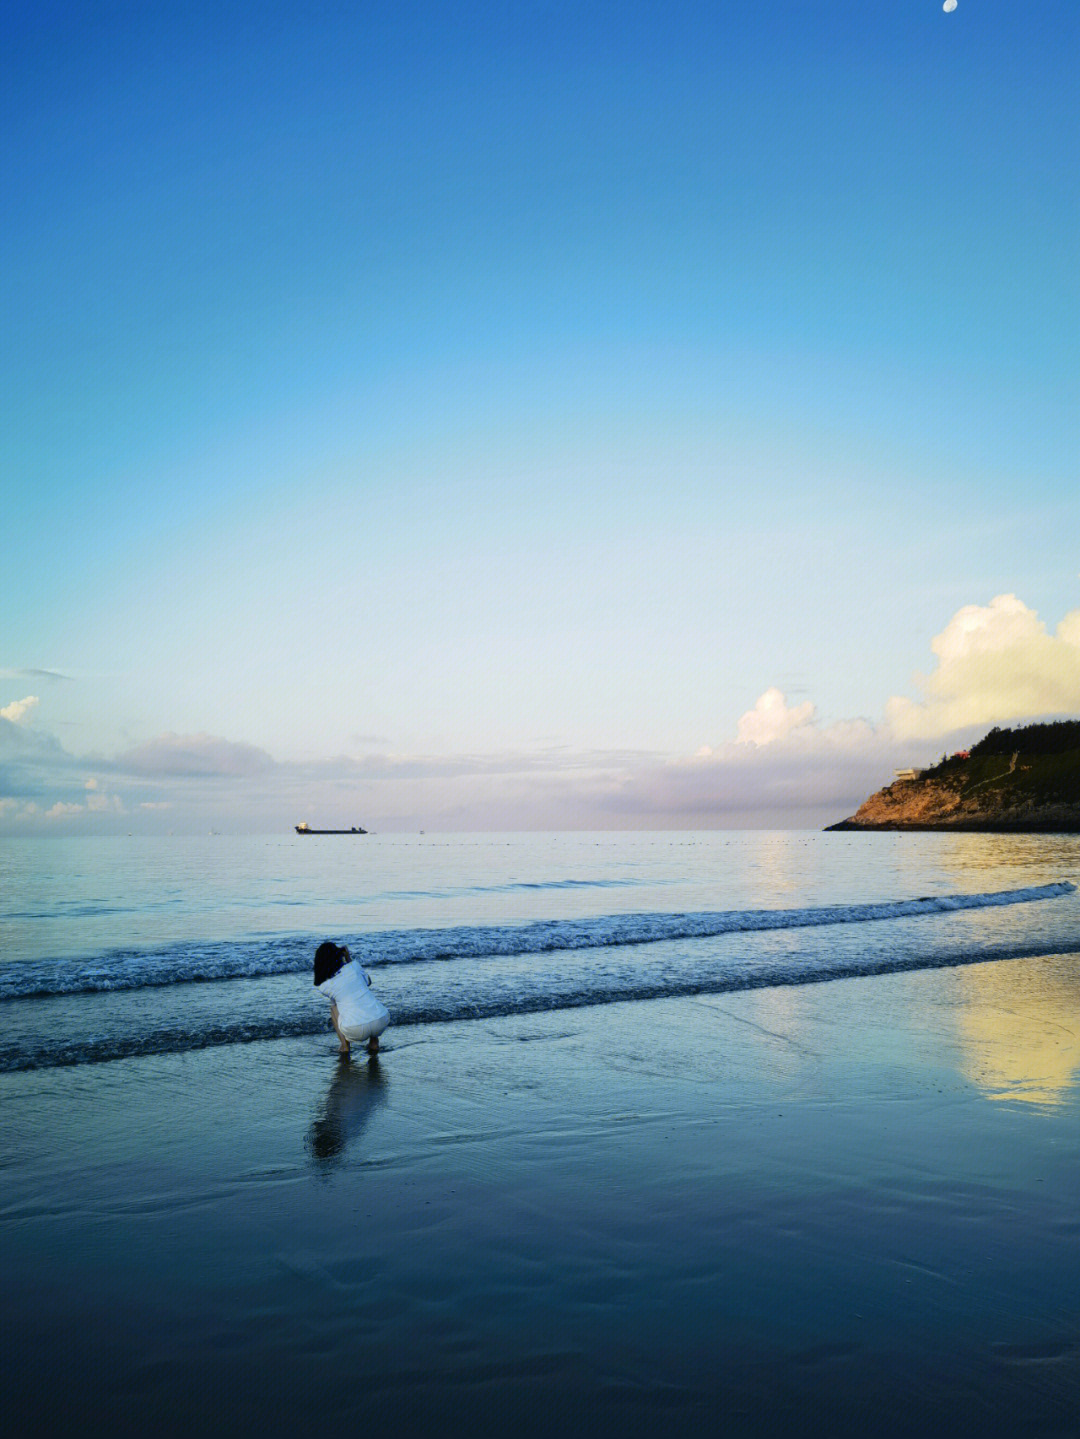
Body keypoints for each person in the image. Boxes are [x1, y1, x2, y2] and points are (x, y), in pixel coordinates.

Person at [313, 941, 389, 1056]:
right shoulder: (354, 966)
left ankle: (345, 1046)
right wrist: (348, 958)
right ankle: (374, 1042)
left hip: (356, 1029)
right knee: (364, 998)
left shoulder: (324, 986)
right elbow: (368, 982)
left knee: (334, 1006)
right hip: (381, 1020)